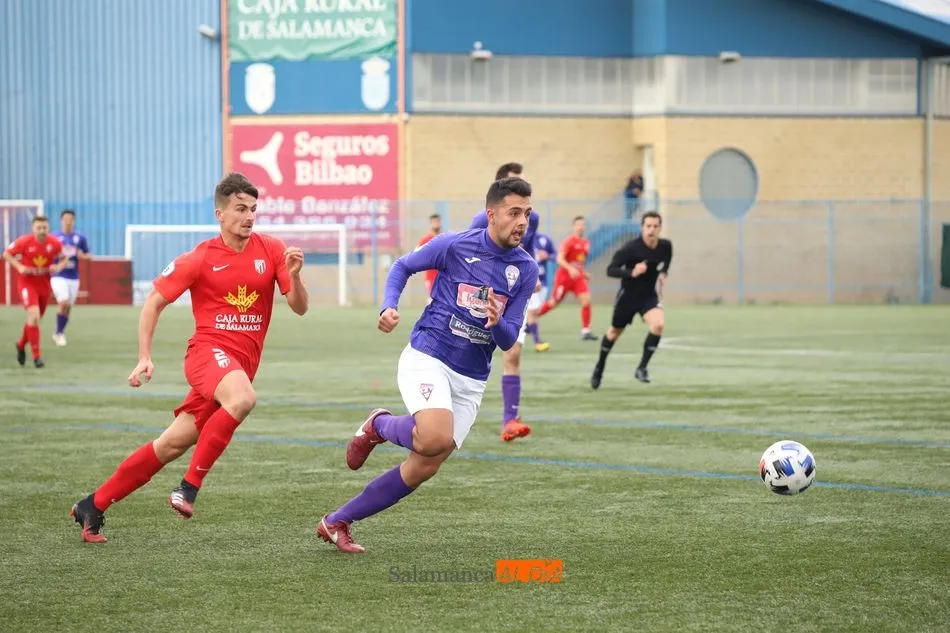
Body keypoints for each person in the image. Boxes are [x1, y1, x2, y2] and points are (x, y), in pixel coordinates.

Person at [69, 173, 309, 543]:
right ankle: (188, 487)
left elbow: (299, 307)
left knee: (170, 444)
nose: (249, 216)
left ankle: (92, 505)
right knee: (243, 399)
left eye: (253, 209)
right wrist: (144, 356)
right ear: (220, 214)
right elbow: (154, 303)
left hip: (236, 369)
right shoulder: (200, 257)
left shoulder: (272, 250)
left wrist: (296, 277)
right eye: (240, 209)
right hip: (206, 356)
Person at [316, 177, 538, 553]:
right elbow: (402, 266)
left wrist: (498, 322)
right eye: (514, 213)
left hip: (471, 378)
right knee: (434, 437)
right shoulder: (455, 245)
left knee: (425, 465)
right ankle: (379, 425)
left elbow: (507, 340)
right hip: (428, 355)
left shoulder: (525, 269)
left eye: (527, 214)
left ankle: (337, 521)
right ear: (491, 214)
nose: (522, 222)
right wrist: (389, 305)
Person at [468, 162, 538, 442]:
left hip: (514, 293)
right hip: (484, 296)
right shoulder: (479, 221)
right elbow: (469, 254)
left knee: (513, 352)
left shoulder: (533, 218)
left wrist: (532, 275)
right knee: (469, 348)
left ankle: (510, 419)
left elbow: (528, 250)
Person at [591, 211, 672, 388]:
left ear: (660, 228)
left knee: (658, 325)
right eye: (648, 226)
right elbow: (611, 270)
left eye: (655, 226)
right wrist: (632, 272)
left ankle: (642, 368)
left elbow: (666, 261)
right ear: (642, 228)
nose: (651, 230)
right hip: (628, 297)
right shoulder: (631, 248)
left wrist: (663, 274)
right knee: (613, 333)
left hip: (648, 296)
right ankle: (599, 367)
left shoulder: (665, 246)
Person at [3, 215, 66, 368]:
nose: (42, 231)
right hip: (27, 284)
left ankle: (20, 344)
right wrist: (19, 267)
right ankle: (37, 357)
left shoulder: (55, 243)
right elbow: (6, 254)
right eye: (39, 228)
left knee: (34, 320)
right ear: (33, 228)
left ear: (48, 228)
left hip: (44, 285)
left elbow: (64, 259)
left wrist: (58, 267)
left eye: (44, 227)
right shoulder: (24, 241)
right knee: (34, 316)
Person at [536, 216, 597, 340]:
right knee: (553, 303)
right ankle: (530, 319)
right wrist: (570, 269)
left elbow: (579, 262)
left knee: (586, 300)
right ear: (573, 227)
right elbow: (560, 259)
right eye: (578, 225)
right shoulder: (568, 241)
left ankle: (586, 331)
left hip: (577, 278)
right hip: (564, 277)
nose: (581, 227)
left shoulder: (586, 243)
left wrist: (584, 273)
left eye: (583, 225)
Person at [51, 208, 92, 347]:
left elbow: (89, 255)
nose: (68, 222)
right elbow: (48, 253)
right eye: (65, 219)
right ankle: (58, 332)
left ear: (73, 221)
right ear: (61, 221)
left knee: (68, 306)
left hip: (73, 276)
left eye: (70, 219)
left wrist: (81, 255)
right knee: (63, 302)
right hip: (58, 275)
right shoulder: (55, 237)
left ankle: (59, 331)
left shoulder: (80, 238)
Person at [524, 232, 556, 352]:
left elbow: (555, 254)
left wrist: (547, 256)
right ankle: (537, 342)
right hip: (529, 281)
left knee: (536, 310)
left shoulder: (544, 239)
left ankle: (527, 326)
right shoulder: (520, 238)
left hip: (543, 283)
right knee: (532, 312)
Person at [416, 213, 443, 299]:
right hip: (431, 277)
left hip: (444, 276)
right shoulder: (425, 240)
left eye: (437, 221)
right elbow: (416, 255)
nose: (436, 224)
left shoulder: (445, 238)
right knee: (434, 298)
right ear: (431, 224)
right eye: (434, 222)